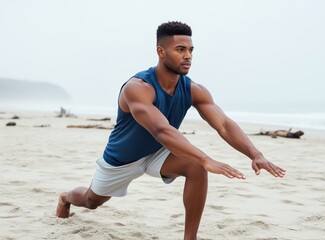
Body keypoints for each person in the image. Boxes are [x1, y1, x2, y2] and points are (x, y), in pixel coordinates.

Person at [56, 21, 286, 240]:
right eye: (180, 49)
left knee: (195, 166)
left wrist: (255, 154)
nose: (188, 56)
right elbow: (161, 130)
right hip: (122, 158)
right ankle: (65, 198)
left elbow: (224, 125)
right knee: (91, 201)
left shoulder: (194, 89)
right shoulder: (138, 88)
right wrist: (207, 159)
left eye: (191, 50)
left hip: (159, 152)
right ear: (161, 51)